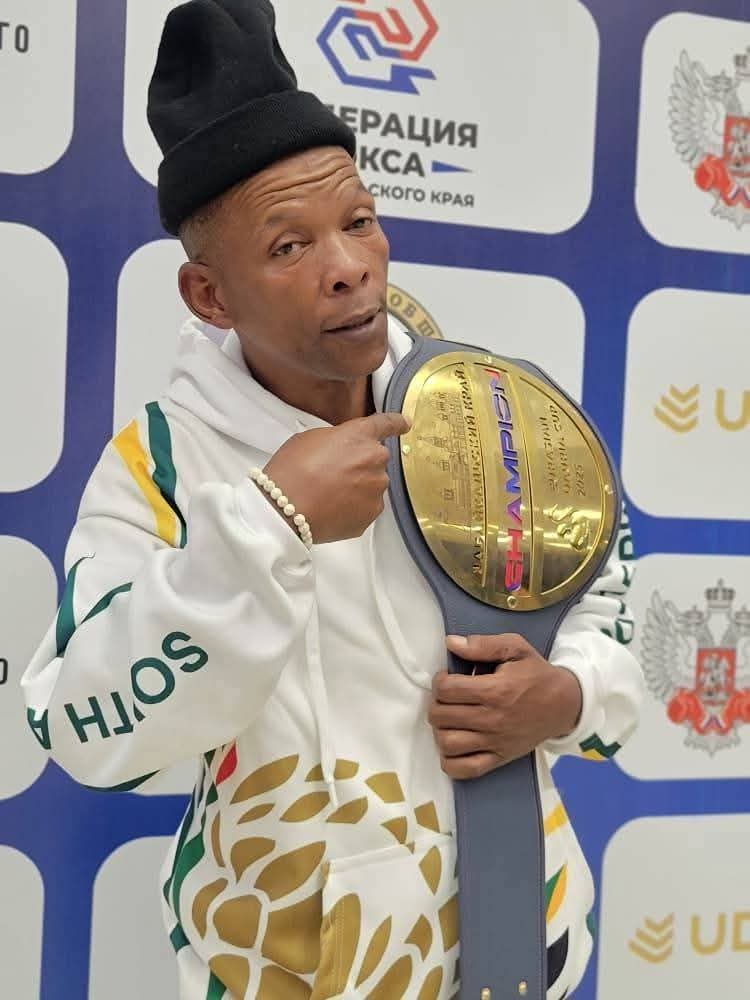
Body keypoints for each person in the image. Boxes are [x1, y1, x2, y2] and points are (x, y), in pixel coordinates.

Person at [21, 2, 644, 998]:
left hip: (527, 942)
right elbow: (89, 730)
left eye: (356, 222)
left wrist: (567, 698)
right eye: (288, 246)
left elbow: (609, 618)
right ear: (209, 297)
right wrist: (268, 524)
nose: (348, 265)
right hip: (280, 967)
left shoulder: (490, 411)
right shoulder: (164, 462)